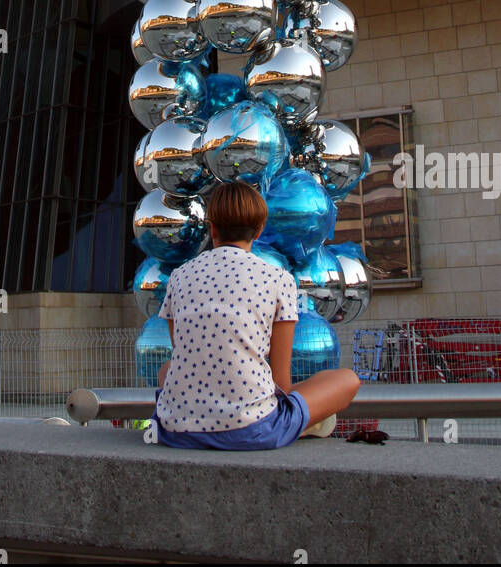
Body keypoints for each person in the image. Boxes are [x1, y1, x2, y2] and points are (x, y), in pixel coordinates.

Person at [149, 180, 360, 450]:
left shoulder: (179, 277)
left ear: (211, 227)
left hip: (175, 430)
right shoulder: (278, 279)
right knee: (347, 380)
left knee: (168, 369)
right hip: (250, 430)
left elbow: (186, 354)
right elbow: (281, 383)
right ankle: (302, 423)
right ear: (259, 231)